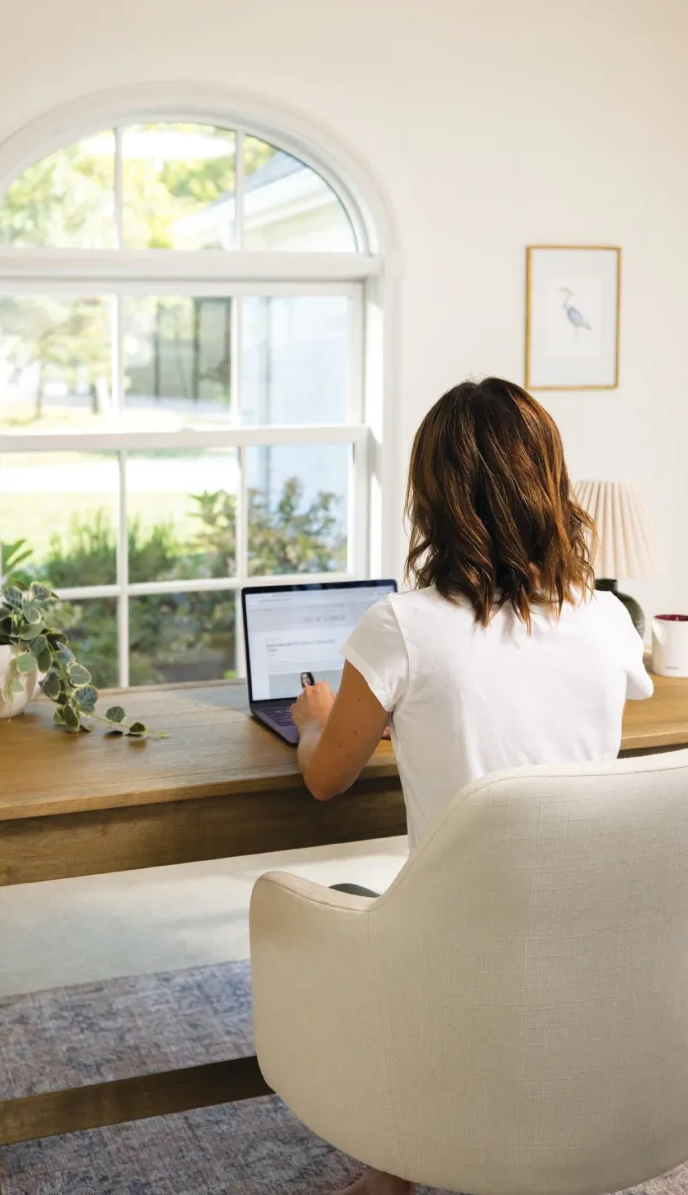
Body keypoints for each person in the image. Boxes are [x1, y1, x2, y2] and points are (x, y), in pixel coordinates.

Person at [290, 377, 652, 1195]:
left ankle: (396, 1166)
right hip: (591, 929)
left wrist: (317, 715)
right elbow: (632, 689)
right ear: (551, 486)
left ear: (433, 496)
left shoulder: (401, 626)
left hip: (458, 945)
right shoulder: (606, 617)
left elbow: (325, 778)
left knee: (376, 904)